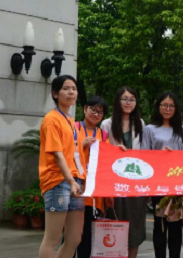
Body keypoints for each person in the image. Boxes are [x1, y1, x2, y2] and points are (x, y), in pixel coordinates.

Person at [38, 75, 86, 258]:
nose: (71, 92)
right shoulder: (51, 119)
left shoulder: (70, 120)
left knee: (74, 239)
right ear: (55, 94)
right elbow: (57, 154)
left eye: (74, 89)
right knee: (52, 238)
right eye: (66, 89)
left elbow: (71, 150)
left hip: (75, 181)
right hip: (58, 181)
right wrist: (70, 181)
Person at [142, 91, 183, 258]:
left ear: (176, 109)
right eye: (164, 105)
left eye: (171, 106)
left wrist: (174, 156)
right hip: (158, 182)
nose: (167, 109)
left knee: (176, 225)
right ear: (158, 107)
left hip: (176, 183)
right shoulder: (149, 129)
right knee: (160, 224)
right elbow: (144, 155)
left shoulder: (181, 130)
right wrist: (160, 154)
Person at [100, 87, 147, 258]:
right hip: (115, 183)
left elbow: (145, 153)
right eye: (125, 99)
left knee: (135, 228)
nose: (128, 103)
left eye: (132, 99)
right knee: (115, 227)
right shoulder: (107, 124)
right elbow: (103, 155)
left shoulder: (140, 124)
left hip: (135, 184)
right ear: (117, 101)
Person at [76, 96, 110, 258]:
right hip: (75, 190)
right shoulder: (74, 128)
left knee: (87, 237)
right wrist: (81, 145)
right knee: (71, 236)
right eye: (93, 110)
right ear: (85, 109)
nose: (96, 114)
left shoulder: (103, 135)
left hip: (94, 195)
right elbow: (63, 152)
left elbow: (108, 162)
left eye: (100, 112)